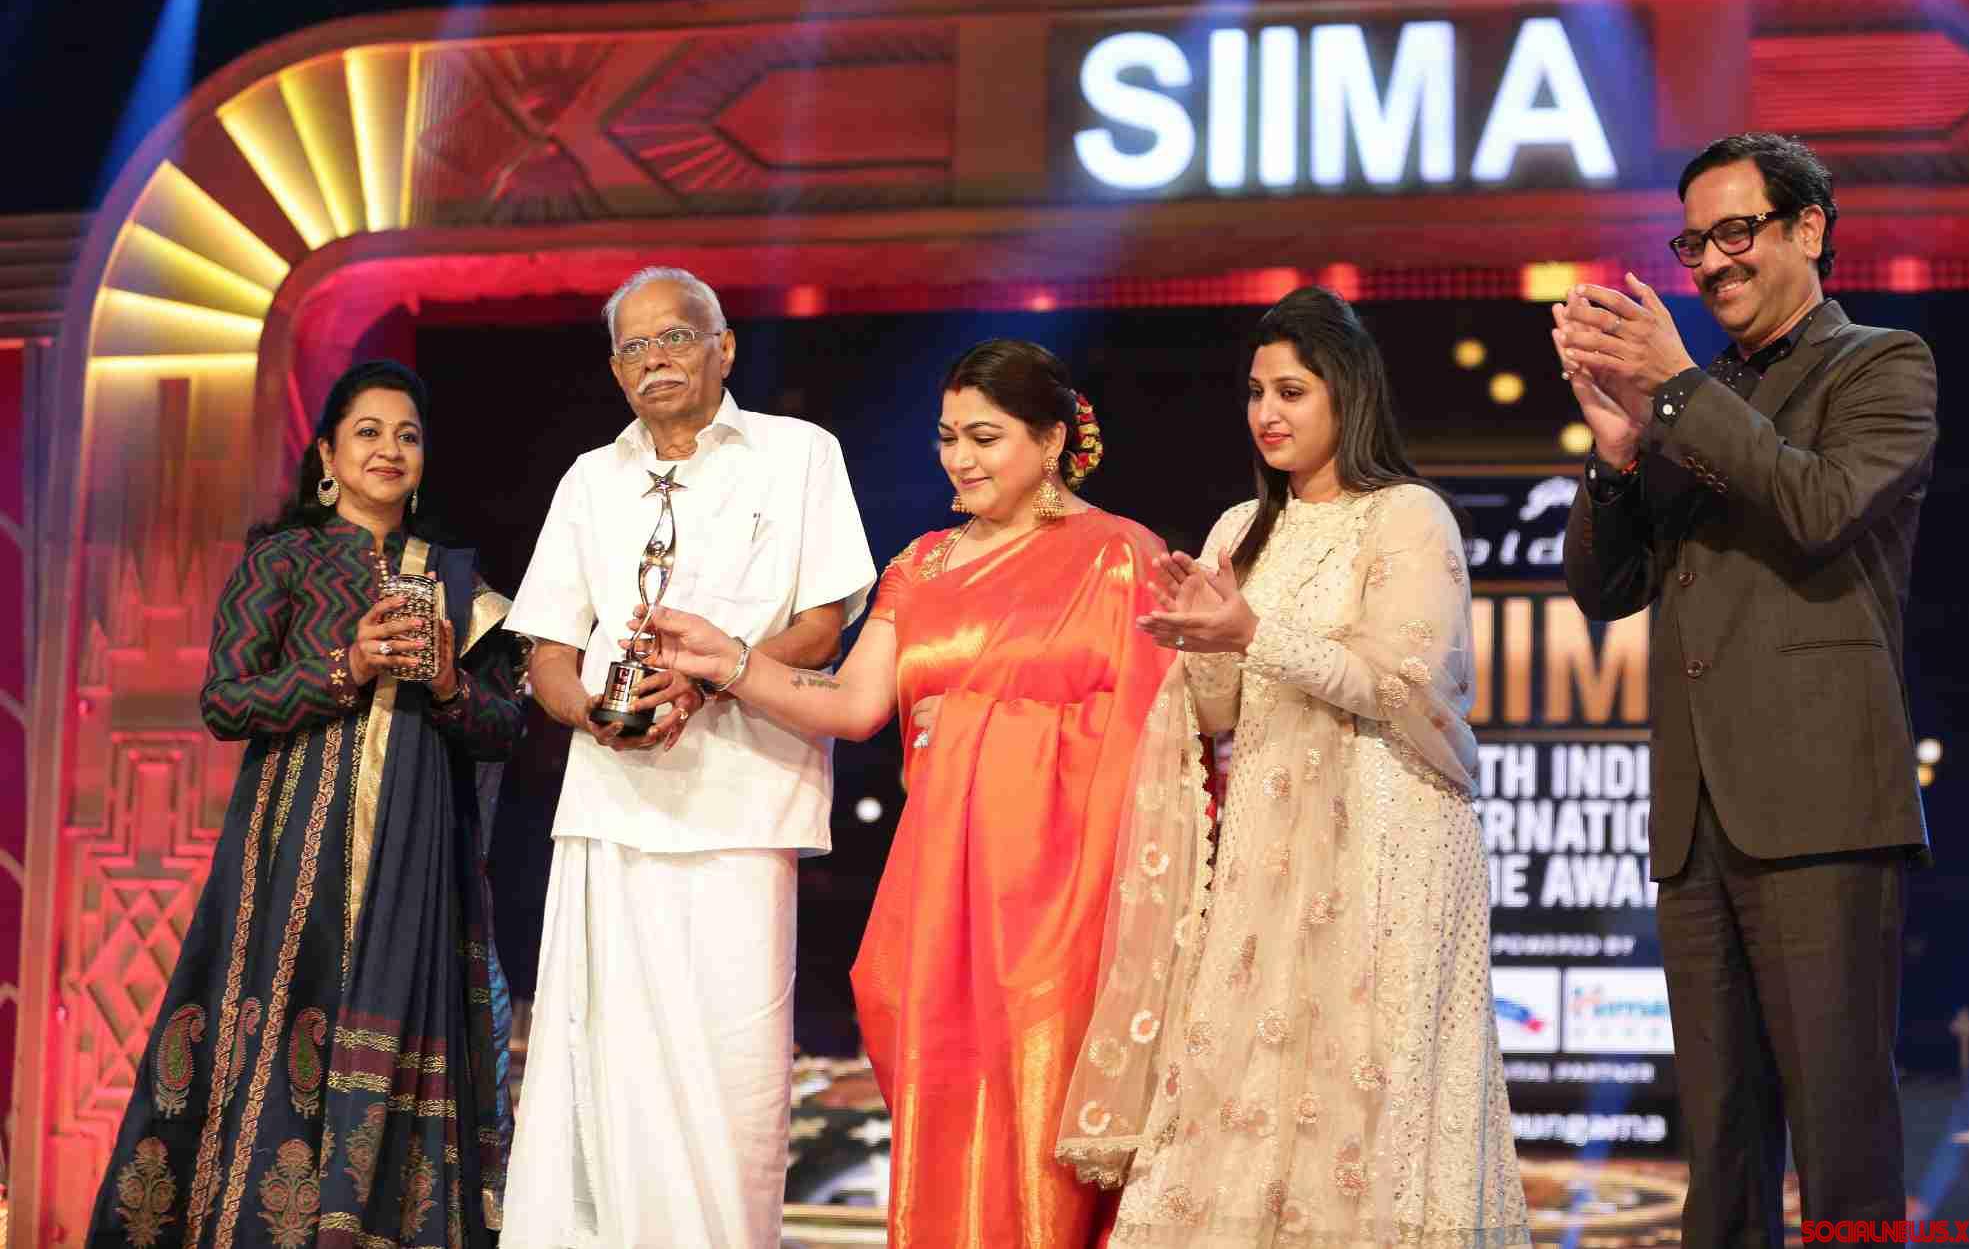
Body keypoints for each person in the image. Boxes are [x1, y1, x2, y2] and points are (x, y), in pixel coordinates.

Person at [642, 339, 1175, 1247]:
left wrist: (981, 725)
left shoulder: (1122, 557)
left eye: (985, 437)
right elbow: (853, 705)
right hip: (939, 897)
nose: (959, 458)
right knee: (944, 1110)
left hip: (1070, 905)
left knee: (1046, 1126)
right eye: (947, 436)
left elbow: (1158, 743)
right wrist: (730, 661)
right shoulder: (922, 565)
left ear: (1052, 440)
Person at [1055, 287, 1528, 1243]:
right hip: (1272, 850)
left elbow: (1402, 684)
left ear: (1347, 395)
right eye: (1255, 391)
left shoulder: (1407, 517)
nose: (1266, 412)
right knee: (1246, 1087)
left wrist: (1251, 631)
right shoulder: (1241, 527)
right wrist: (1202, 640)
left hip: (1390, 840)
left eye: (1292, 391)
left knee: (1381, 1093)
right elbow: (1221, 712)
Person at [1555, 132, 1935, 1236]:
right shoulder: (1692, 399)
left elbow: (1818, 506)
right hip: (1695, 818)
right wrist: (1616, 451)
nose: (1713, 261)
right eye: (1694, 243)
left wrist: (1672, 390)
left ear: (1808, 229)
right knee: (1720, 1145)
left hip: (1822, 808)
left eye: (1735, 231)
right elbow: (1603, 588)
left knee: (1838, 1136)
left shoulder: (1880, 363)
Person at [87, 360, 523, 1247]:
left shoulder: (457, 583)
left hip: (420, 870)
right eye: (368, 432)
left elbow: (503, 727)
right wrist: (345, 667)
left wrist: (448, 681)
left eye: (407, 435)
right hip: (297, 852)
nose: (389, 449)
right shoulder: (282, 558)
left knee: (408, 1055)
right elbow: (226, 701)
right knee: (286, 1036)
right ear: (327, 453)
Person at [499, 267, 875, 1247]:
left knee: (732, 1080)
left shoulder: (799, 454)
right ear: (615, 369)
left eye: (674, 337)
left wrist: (706, 683)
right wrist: (591, 713)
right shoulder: (590, 478)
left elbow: (824, 623)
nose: (654, 359)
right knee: (600, 1073)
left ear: (724, 347)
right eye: (633, 346)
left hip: (743, 806)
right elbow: (545, 647)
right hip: (608, 812)